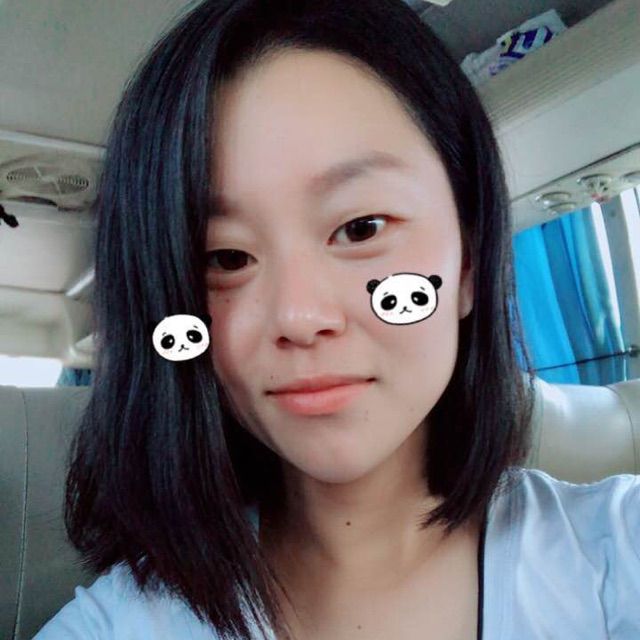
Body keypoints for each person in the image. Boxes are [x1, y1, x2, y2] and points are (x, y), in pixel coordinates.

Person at [33, 1, 639, 639]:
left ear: (468, 262)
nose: (299, 317)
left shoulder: (617, 555)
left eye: (362, 228)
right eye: (226, 258)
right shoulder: (116, 625)